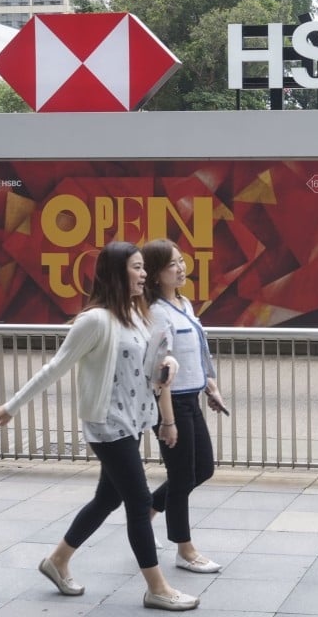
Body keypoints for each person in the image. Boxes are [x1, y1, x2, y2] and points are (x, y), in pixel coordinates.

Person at [0, 241, 200, 612]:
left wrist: (168, 369)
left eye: (143, 268)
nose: (144, 275)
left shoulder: (136, 316)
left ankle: (57, 560)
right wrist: (11, 406)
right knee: (138, 501)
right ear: (118, 273)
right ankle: (157, 588)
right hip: (107, 425)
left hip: (133, 421)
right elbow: (54, 367)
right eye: (137, 268)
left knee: (108, 497)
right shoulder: (95, 320)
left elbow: (150, 366)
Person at [142, 239, 226, 574]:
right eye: (171, 265)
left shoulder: (184, 304)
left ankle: (146, 513)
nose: (181, 268)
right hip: (170, 401)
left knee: (202, 469)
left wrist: (210, 384)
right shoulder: (156, 314)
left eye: (181, 261)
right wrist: (167, 420)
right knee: (181, 477)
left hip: (190, 397)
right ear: (155, 274)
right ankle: (185, 549)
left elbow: (192, 354)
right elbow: (161, 369)